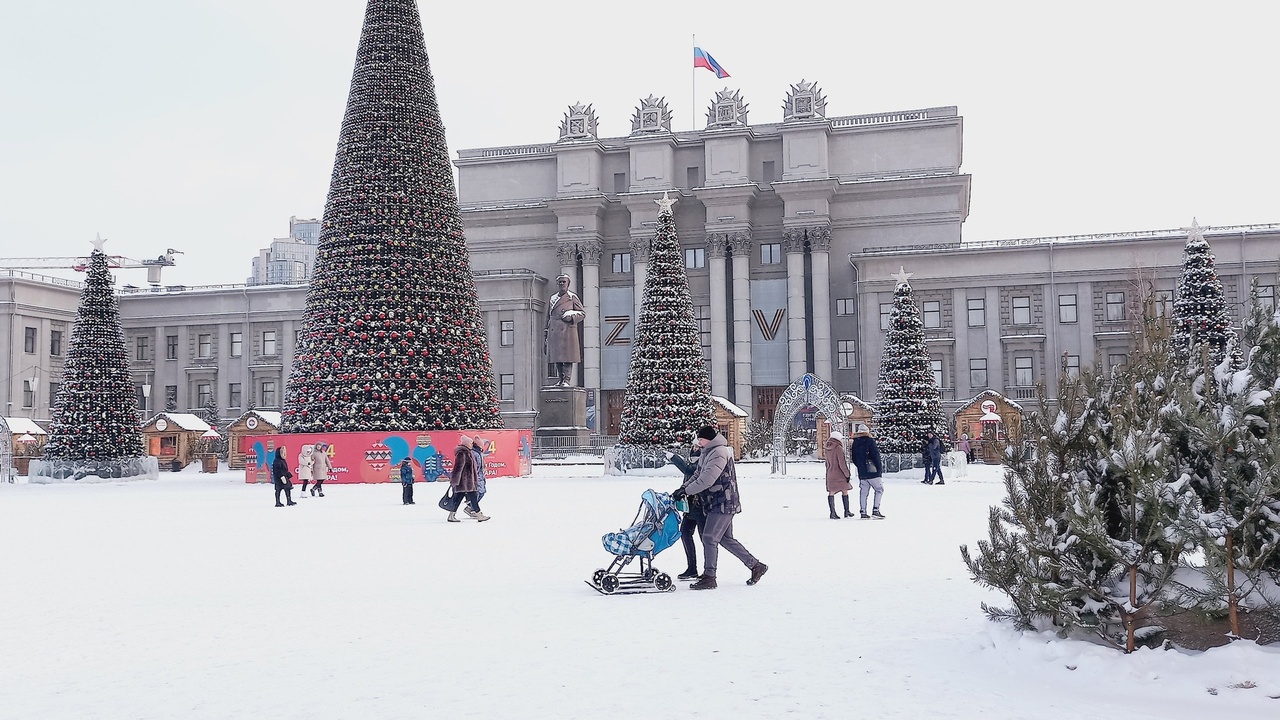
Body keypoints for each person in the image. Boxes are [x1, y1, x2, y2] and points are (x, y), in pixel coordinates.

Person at [673, 426, 767, 590]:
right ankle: (756, 566)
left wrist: (687, 491)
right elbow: (697, 475)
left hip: (723, 501)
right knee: (725, 539)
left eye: (701, 439)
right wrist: (683, 488)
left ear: (708, 439)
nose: (698, 442)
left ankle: (710, 577)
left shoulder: (719, 452)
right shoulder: (707, 452)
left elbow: (707, 480)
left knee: (709, 537)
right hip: (716, 501)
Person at [668, 443, 704, 581]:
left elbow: (688, 470)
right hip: (691, 507)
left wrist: (674, 457)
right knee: (685, 533)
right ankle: (692, 568)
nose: (695, 449)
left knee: (704, 539)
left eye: (698, 447)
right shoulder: (693, 461)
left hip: (700, 506)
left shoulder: (700, 463)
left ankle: (708, 571)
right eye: (694, 447)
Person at [544, 274, 585, 387]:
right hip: (554, 332)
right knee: (557, 358)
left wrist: (571, 317)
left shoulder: (572, 297)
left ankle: (567, 380)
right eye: (560, 282)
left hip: (567, 332)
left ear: (568, 284)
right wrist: (545, 333)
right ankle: (561, 379)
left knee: (567, 357)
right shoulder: (553, 298)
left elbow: (582, 313)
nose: (562, 284)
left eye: (564, 282)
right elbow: (548, 317)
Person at [447, 434, 488, 522]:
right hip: (465, 481)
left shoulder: (468, 452)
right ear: (466, 444)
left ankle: (451, 515)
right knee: (473, 497)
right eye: (470, 443)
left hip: (468, 481)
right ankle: (479, 514)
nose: (471, 444)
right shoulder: (463, 453)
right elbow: (458, 467)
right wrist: (455, 480)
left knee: (459, 498)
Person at [850, 423, 885, 519]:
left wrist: (861, 466)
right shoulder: (870, 441)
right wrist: (879, 469)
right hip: (873, 471)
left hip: (862, 472)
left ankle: (863, 511)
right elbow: (875, 456)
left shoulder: (855, 442)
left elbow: (854, 458)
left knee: (863, 492)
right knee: (879, 489)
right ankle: (876, 510)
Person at [824, 430, 854, 519]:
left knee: (831, 492)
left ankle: (832, 512)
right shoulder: (838, 448)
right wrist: (847, 474)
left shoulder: (827, 447)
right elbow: (842, 462)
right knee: (845, 490)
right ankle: (847, 511)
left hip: (830, 472)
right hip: (839, 473)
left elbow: (826, 462)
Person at [464, 437, 487, 518]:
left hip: (480, 476)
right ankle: (472, 509)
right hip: (476, 477)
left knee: (481, 492)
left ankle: (471, 508)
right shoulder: (474, 453)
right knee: (478, 493)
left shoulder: (479, 452)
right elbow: (475, 466)